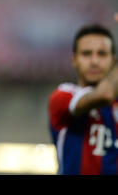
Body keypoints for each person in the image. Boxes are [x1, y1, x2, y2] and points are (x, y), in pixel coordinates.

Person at [49, 23, 118, 174]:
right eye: (86, 54)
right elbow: (104, 95)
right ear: (74, 60)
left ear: (113, 60)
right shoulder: (63, 96)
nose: (94, 61)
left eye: (102, 54)